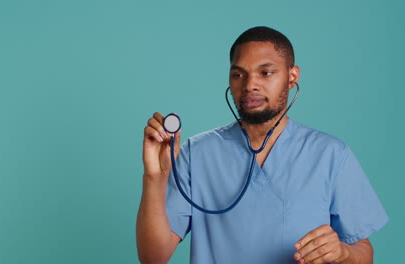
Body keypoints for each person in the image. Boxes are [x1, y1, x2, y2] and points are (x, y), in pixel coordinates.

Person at [136, 26, 388, 264]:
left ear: (292, 77)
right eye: (238, 74)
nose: (249, 85)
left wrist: (342, 252)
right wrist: (155, 177)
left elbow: (364, 253)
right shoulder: (197, 152)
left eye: (265, 72)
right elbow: (153, 258)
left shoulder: (331, 154)